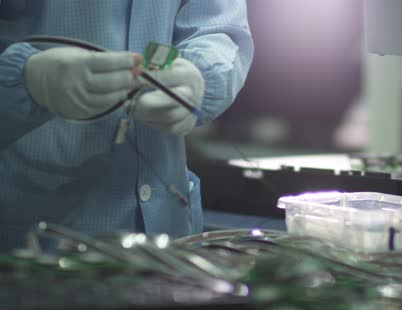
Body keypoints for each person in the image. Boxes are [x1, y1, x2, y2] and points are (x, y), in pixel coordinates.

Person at [0, 1, 254, 251]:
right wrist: (23, 78)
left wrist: (202, 73)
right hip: (30, 235)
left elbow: (218, 28)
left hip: (169, 234)